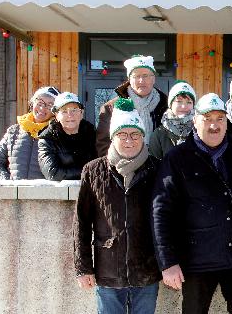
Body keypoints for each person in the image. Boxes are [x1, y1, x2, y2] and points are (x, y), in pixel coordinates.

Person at [152, 93, 232, 314]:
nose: (214, 125)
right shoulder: (176, 158)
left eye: (220, 119)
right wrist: (167, 261)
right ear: (194, 121)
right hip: (196, 261)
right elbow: (161, 212)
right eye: (207, 118)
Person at [73, 98, 161, 314]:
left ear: (143, 136)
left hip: (146, 270)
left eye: (135, 134)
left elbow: (168, 220)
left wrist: (169, 263)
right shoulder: (93, 170)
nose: (129, 140)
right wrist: (83, 267)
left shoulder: (157, 168)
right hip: (108, 269)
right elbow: (81, 223)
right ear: (113, 137)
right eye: (122, 134)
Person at [96, 55, 168, 156]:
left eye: (146, 75)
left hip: (160, 167)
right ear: (129, 79)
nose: (141, 80)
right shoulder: (111, 108)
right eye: (136, 76)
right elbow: (103, 144)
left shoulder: (167, 106)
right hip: (124, 168)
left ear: (153, 78)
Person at [0, 86, 58, 179]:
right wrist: (6, 181)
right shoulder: (13, 131)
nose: (42, 108)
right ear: (32, 103)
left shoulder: (58, 134)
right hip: (14, 192)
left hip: (44, 192)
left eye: (49, 105)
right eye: (40, 102)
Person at [38, 92, 96, 181]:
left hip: (91, 192)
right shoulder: (47, 139)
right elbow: (53, 174)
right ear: (56, 115)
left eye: (74, 110)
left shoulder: (93, 135)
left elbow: (104, 167)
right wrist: (89, 171)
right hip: (61, 193)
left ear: (81, 113)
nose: (70, 115)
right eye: (64, 111)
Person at [149, 81, 197, 159]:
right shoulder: (159, 134)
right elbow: (154, 166)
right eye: (179, 101)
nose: (184, 106)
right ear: (170, 105)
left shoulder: (199, 131)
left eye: (189, 102)